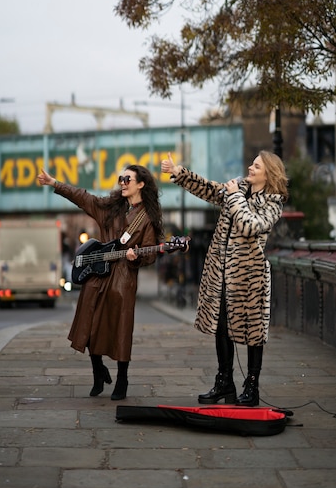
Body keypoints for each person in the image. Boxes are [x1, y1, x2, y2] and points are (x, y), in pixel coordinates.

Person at [161, 150, 288, 406]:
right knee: (221, 327)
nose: (250, 169)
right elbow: (209, 189)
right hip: (221, 274)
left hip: (249, 278)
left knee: (254, 332)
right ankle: (224, 382)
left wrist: (235, 197)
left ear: (269, 173)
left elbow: (249, 226)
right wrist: (179, 173)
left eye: (256, 166)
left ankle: (252, 387)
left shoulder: (273, 203)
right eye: (251, 164)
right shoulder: (237, 188)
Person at [38, 165, 164, 400]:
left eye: (128, 178)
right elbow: (82, 197)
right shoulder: (109, 208)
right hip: (96, 275)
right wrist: (55, 183)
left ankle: (122, 379)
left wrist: (137, 256)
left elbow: (150, 253)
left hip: (123, 279)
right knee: (90, 327)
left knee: (121, 329)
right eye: (121, 178)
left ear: (141, 184)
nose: (123, 182)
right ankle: (98, 370)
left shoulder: (147, 218)